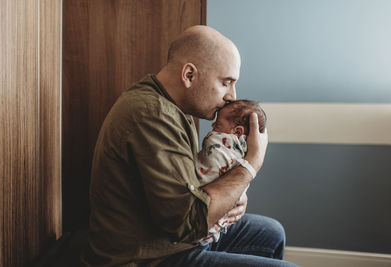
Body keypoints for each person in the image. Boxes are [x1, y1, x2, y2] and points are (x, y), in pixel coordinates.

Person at [81, 25, 298, 266]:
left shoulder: (173, 106)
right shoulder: (153, 115)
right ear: (189, 75)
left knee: (271, 232)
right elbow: (186, 222)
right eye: (226, 82)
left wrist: (232, 195)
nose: (232, 96)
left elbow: (189, 185)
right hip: (148, 256)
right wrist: (250, 166)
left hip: (168, 238)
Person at [195, 100, 267, 246]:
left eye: (218, 125)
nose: (213, 127)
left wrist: (237, 197)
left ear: (237, 132)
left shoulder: (220, 143)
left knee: (273, 231)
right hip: (198, 226)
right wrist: (254, 160)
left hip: (210, 225)